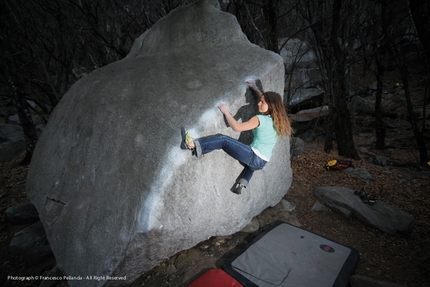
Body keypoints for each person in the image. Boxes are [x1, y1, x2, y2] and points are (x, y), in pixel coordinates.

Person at [180, 79, 293, 194]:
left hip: (253, 157)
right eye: (260, 100)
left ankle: (192, 145)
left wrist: (226, 112)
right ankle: (242, 184)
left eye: (262, 102)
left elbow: (237, 127)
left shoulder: (259, 119)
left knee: (223, 140)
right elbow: (267, 100)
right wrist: (255, 88)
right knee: (250, 166)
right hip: (262, 162)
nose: (259, 103)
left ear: (271, 106)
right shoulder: (279, 120)